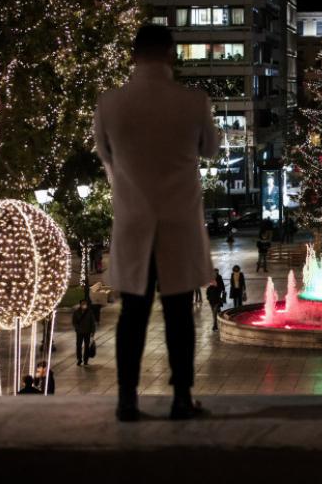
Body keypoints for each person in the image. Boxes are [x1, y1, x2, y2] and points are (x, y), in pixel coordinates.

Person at [94, 23, 219, 422]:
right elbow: (212, 150)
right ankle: (182, 398)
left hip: (133, 220)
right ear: (170, 54)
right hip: (179, 220)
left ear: (133, 56)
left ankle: (127, 401)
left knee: (133, 314)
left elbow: (105, 154)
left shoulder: (110, 103)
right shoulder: (193, 101)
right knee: (180, 313)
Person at [72, 299, 96, 367]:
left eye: (85, 303)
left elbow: (92, 322)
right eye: (83, 303)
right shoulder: (76, 312)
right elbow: (74, 322)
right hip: (79, 332)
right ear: (80, 304)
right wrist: (77, 328)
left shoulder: (90, 312)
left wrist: (93, 331)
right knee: (78, 346)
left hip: (87, 332)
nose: (84, 305)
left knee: (87, 347)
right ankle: (79, 359)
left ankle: (86, 360)